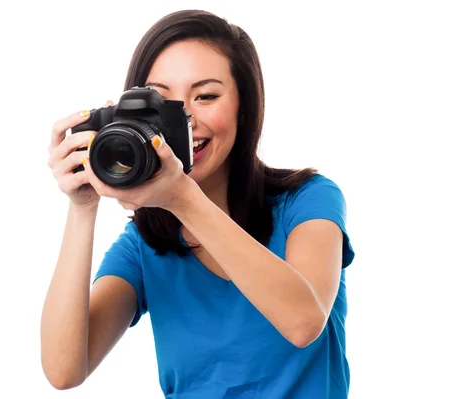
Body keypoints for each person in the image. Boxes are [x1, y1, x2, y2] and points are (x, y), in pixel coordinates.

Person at [41, 9, 356, 398]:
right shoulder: (143, 245)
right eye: (159, 100)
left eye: (205, 96)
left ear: (244, 106)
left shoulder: (308, 200)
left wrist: (183, 199)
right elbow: (64, 369)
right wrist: (82, 206)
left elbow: (304, 321)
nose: (185, 119)